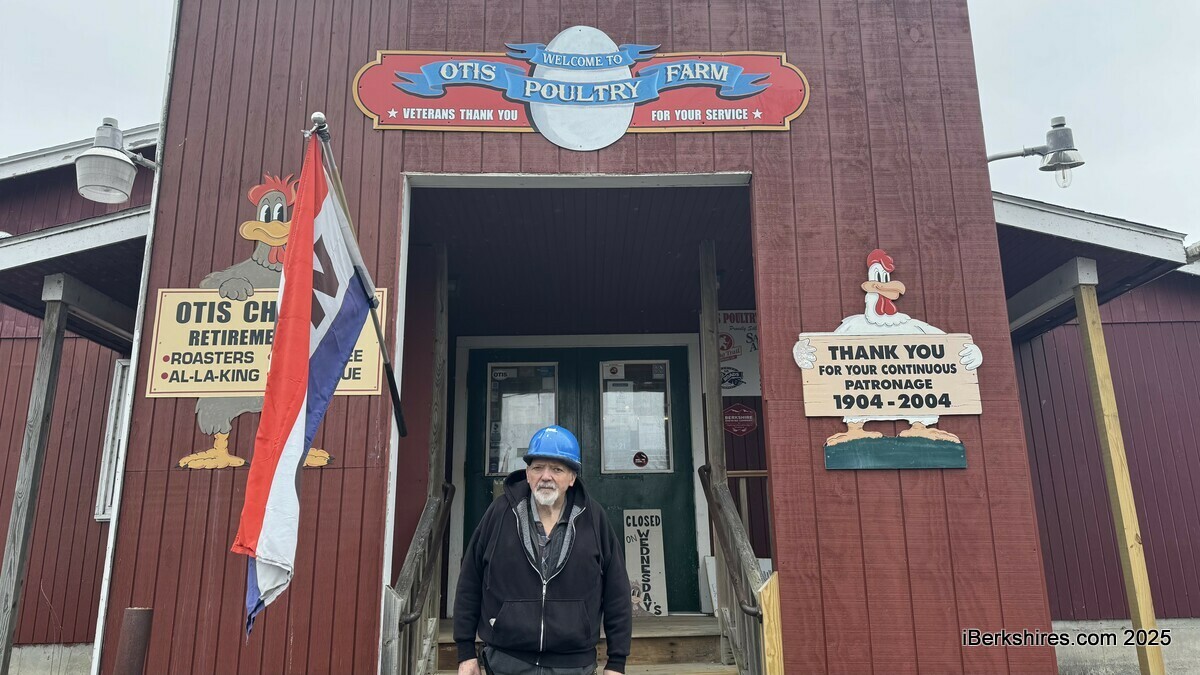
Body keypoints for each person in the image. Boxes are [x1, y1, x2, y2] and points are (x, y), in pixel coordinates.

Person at [455, 425, 632, 675]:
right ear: (528, 474)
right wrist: (465, 652)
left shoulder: (594, 519)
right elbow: (470, 580)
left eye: (557, 469)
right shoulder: (500, 513)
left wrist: (616, 662)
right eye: (538, 468)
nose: (546, 476)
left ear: (572, 478)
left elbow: (617, 592)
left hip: (573, 666)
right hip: (507, 662)